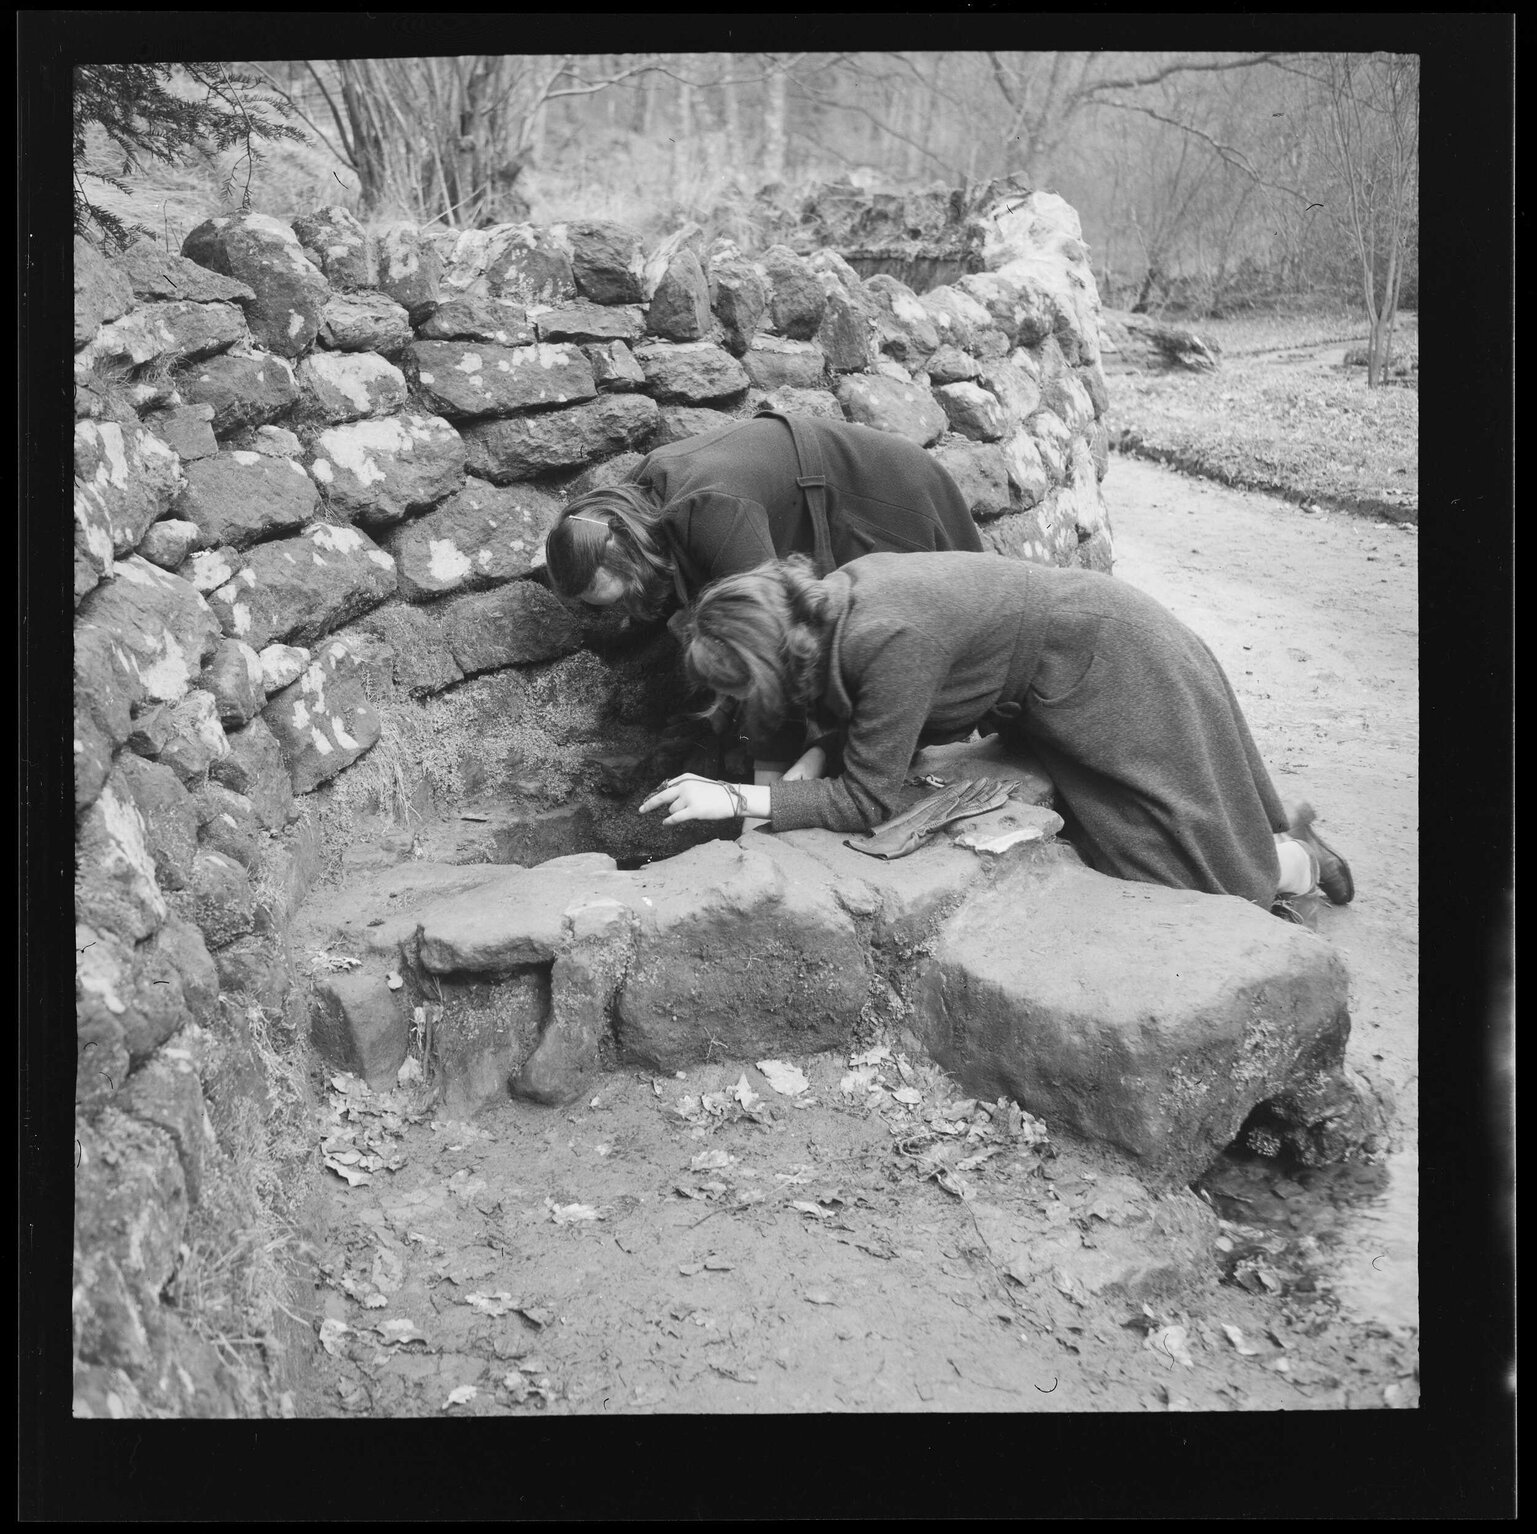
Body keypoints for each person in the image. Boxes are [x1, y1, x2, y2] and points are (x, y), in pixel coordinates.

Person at [638, 551, 1354, 917]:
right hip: (1055, 680)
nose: (735, 703)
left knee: (1197, 874)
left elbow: (868, 800)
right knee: (1117, 842)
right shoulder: (833, 601)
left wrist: (736, 801)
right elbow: (861, 710)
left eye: (738, 685)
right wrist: (818, 751)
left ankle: (1301, 860)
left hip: (1111, 661)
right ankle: (1276, 851)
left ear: (770, 655)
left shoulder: (890, 635)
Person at [545, 410, 985, 802]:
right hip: (817, 501)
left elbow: (775, 653)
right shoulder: (623, 517)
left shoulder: (713, 512)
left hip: (885, 496)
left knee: (947, 653)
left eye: (622, 595)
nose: (622, 612)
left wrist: (767, 797)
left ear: (634, 558)